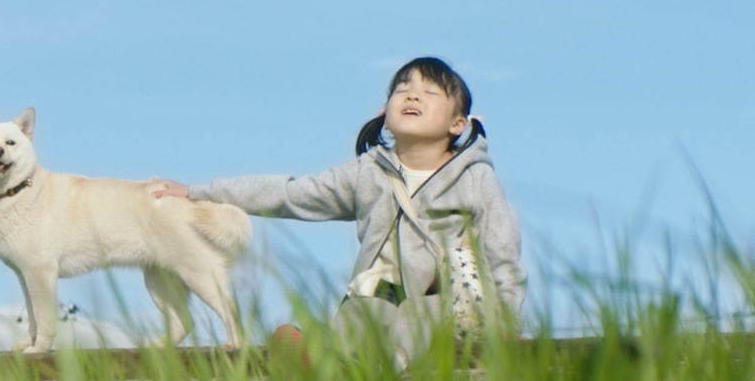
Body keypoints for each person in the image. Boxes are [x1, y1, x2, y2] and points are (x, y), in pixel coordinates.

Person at [151, 56, 525, 362]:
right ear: (385, 110)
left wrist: (506, 321)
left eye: (429, 92)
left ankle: (382, 364)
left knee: (422, 308)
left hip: (452, 298)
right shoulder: (369, 172)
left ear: (458, 124)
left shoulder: (475, 178)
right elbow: (292, 193)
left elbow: (502, 250)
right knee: (367, 296)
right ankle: (326, 360)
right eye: (402, 90)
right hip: (385, 290)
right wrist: (202, 192)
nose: (412, 97)